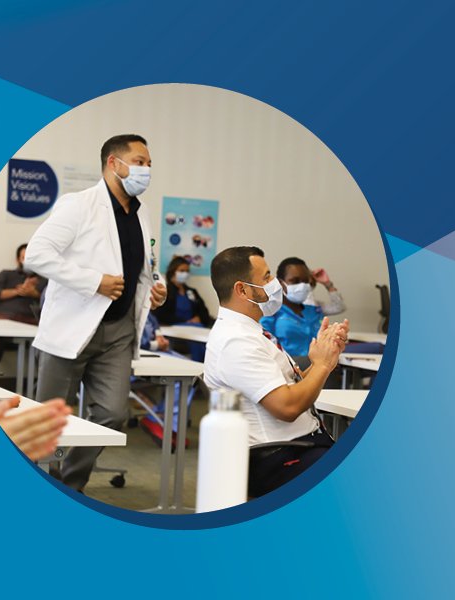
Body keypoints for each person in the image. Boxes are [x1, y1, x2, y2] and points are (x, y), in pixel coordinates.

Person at [23, 134, 167, 492]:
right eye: (138, 161)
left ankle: (70, 485)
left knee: (113, 416)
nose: (145, 169)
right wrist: (93, 282)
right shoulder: (78, 205)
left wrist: (156, 286)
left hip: (119, 331)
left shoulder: (142, 211)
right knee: (51, 418)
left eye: (149, 163)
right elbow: (36, 255)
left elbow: (144, 266)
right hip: (73, 327)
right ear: (113, 163)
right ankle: (39, 486)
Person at [202, 246, 348, 497]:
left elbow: (290, 385)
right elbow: (287, 407)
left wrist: (325, 358)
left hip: (300, 446)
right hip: (278, 458)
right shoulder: (236, 342)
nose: (274, 284)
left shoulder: (250, 333)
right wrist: (322, 366)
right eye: (267, 277)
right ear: (242, 289)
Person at [262, 256, 382, 363]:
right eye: (295, 281)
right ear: (280, 283)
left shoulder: (313, 310)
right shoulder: (272, 312)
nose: (302, 285)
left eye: (305, 281)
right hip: (294, 364)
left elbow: (338, 307)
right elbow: (266, 348)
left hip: (324, 360)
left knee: (380, 350)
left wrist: (335, 335)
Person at [0, 243, 45, 323]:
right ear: (18, 260)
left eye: (31, 258)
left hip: (30, 318)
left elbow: (49, 300)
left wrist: (34, 293)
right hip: (5, 315)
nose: (27, 262)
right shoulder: (6, 274)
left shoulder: (43, 279)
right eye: (24, 258)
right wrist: (18, 291)